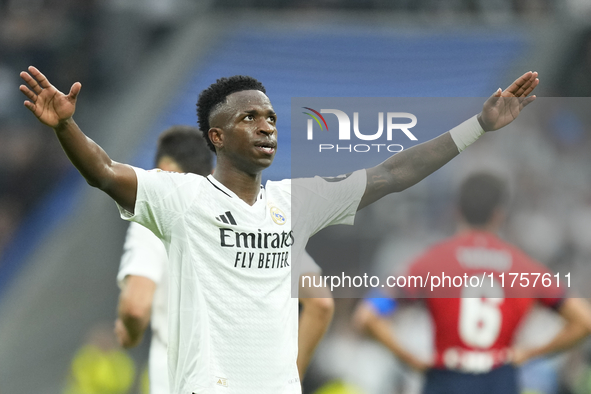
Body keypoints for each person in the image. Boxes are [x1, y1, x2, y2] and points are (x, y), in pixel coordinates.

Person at [20, 65, 538, 393]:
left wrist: (479, 126)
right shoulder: (182, 198)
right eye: (250, 117)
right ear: (217, 137)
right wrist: (66, 126)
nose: (267, 125)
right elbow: (105, 173)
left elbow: (392, 173)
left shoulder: (297, 201)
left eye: (269, 116)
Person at [113, 126, 334, 392]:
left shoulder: (158, 214)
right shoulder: (255, 218)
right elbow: (320, 303)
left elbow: (135, 307)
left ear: (163, 169)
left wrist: (129, 333)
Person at [353, 172, 591, 394]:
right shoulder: (525, 267)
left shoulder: (430, 263)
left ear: (456, 210)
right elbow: (584, 321)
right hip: (500, 377)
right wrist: (530, 354)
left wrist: (411, 359)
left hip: (445, 378)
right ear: (499, 214)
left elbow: (367, 315)